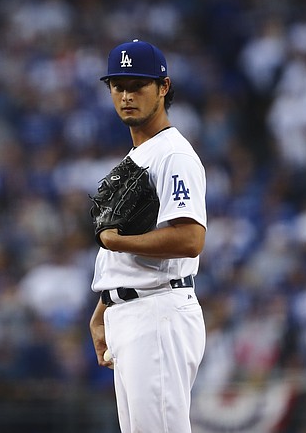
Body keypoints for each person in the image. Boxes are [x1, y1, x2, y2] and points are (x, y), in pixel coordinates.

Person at [88, 39, 207, 433]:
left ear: (163, 87)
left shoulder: (173, 154)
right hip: (134, 312)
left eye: (137, 85)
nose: (126, 96)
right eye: (118, 86)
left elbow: (189, 239)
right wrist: (105, 305)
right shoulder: (140, 155)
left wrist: (118, 241)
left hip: (158, 312)